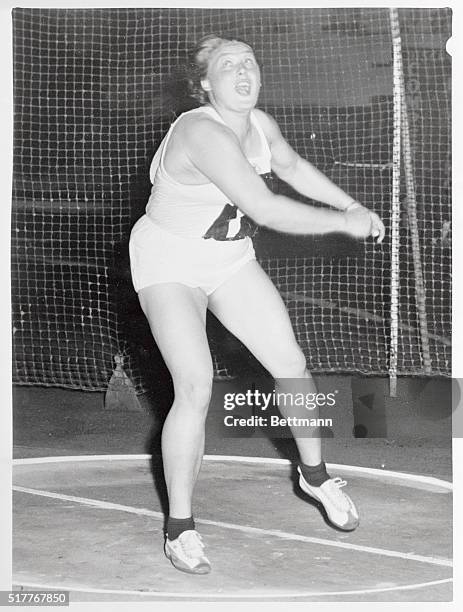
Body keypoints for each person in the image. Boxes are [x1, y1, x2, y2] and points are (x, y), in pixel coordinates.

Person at [129, 34, 385, 575]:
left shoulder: (260, 124)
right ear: (204, 84)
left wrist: (352, 203)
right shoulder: (201, 130)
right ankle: (180, 528)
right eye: (228, 66)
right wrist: (343, 224)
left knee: (290, 363)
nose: (243, 73)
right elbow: (265, 207)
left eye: (249, 63)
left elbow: (290, 167)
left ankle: (314, 476)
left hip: (227, 257)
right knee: (195, 384)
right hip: (169, 261)